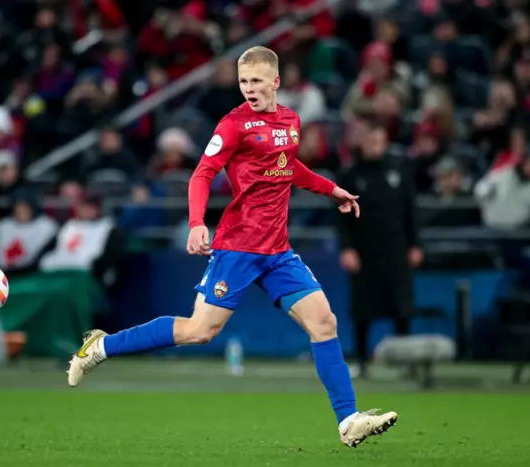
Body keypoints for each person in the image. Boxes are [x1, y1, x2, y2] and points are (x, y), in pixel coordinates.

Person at [67, 46, 398, 447]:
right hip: (238, 247)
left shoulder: (291, 122)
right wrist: (196, 223)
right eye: (244, 82)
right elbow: (202, 174)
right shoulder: (233, 125)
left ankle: (348, 420)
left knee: (324, 322)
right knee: (199, 331)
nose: (250, 89)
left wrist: (331, 189)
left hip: (278, 251)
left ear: (276, 81)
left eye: (257, 81)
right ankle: (101, 346)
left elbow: (286, 166)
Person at [338, 125, 422, 378]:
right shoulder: (351, 175)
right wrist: (346, 248)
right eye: (371, 141)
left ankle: (405, 363)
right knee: (362, 309)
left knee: (401, 308)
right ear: (362, 143)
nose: (375, 146)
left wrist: (415, 245)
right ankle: (361, 360)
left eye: (379, 141)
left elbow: (410, 211)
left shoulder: (399, 171)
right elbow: (341, 218)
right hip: (364, 252)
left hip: (396, 250)